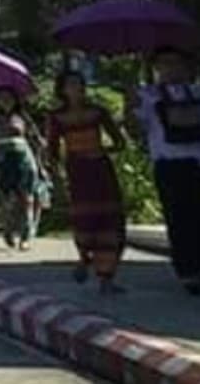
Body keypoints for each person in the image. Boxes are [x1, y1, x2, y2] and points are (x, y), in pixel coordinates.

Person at [134, 46, 200, 296]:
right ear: (157, 69)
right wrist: (130, 106)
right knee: (180, 219)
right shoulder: (149, 96)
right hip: (171, 163)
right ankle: (188, 271)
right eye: (165, 64)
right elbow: (138, 124)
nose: (171, 69)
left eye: (176, 63)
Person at [48, 70, 129, 294]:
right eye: (71, 84)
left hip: (101, 170)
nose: (77, 89)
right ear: (62, 89)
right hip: (78, 172)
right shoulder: (56, 117)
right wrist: (57, 176)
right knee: (85, 219)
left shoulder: (98, 112)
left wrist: (100, 150)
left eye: (80, 84)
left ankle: (107, 277)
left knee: (110, 221)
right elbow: (52, 150)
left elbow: (119, 142)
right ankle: (85, 258)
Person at [0, 86, 51, 250]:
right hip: (3, 161)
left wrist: (42, 155)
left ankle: (26, 236)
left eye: (9, 97)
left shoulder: (23, 117)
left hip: (23, 159)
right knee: (9, 200)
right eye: (2, 98)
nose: (6, 101)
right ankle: (8, 228)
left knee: (27, 198)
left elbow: (37, 140)